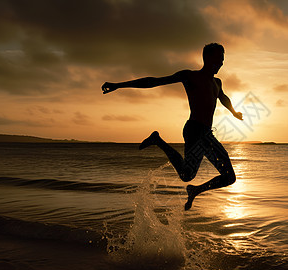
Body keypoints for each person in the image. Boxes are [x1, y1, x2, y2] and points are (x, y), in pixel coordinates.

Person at [102, 43, 242, 210]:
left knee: (200, 175)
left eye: (223, 59)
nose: (222, 62)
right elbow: (154, 82)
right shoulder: (190, 76)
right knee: (216, 175)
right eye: (219, 58)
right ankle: (162, 146)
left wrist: (233, 112)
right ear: (208, 58)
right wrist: (119, 85)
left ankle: (193, 187)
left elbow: (223, 97)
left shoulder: (217, 82)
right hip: (195, 130)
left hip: (205, 133)